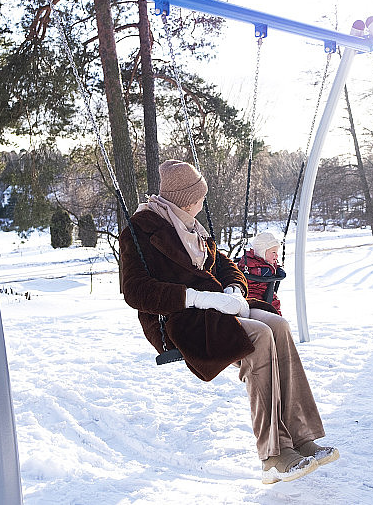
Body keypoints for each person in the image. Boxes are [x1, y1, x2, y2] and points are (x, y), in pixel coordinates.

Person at [119, 160, 338, 484]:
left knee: (278, 326)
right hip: (181, 320)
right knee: (260, 337)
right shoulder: (141, 232)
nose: (203, 202)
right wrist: (197, 297)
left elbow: (223, 265)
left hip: (218, 307)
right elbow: (135, 291)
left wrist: (234, 287)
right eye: (200, 197)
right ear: (186, 199)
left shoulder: (191, 227)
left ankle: (301, 437)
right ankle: (274, 454)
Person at [237, 231, 285, 314]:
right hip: (252, 293)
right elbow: (245, 269)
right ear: (262, 252)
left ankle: (277, 324)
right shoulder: (249, 261)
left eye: (277, 253)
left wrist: (278, 269)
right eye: (273, 252)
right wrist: (259, 272)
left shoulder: (269, 263)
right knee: (261, 308)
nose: (276, 256)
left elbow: (273, 268)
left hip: (267, 293)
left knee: (276, 307)